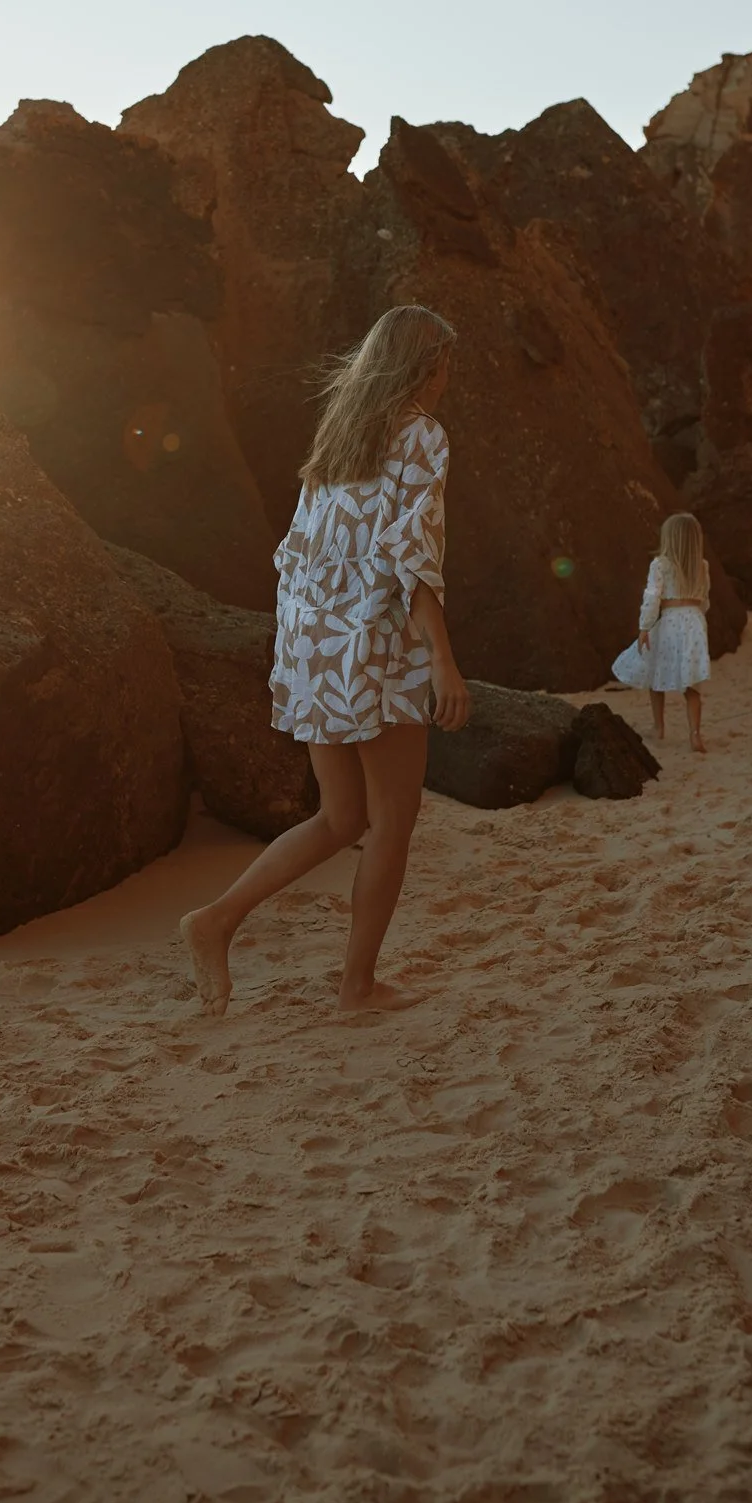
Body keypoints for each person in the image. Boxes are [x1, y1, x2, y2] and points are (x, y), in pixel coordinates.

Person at [180, 304, 470, 1016]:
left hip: (314, 639)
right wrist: (442, 660)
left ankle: (215, 920)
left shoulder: (340, 438)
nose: (445, 378)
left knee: (341, 818)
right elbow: (413, 552)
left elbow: (296, 554)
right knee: (391, 822)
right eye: (443, 363)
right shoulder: (422, 438)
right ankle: (356, 989)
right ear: (423, 367)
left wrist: (304, 648)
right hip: (375, 642)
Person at [611, 511, 712, 752]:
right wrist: (698, 620)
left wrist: (645, 626)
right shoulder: (702, 566)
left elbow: (652, 596)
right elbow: (705, 599)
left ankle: (659, 727)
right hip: (694, 620)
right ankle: (695, 734)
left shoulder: (660, 564)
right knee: (692, 683)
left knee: (656, 673)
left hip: (669, 620)